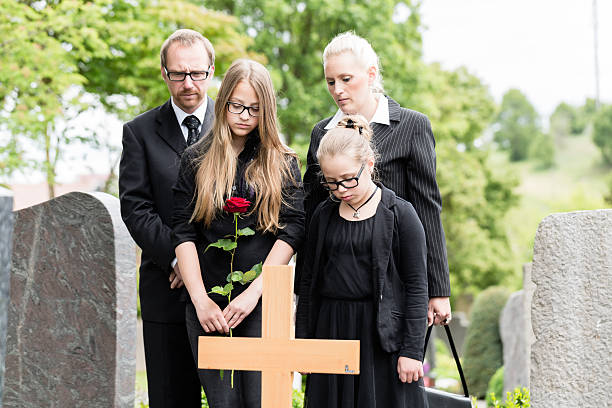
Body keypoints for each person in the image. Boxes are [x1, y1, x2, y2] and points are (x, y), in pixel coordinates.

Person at [172, 59, 305, 408]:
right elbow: (183, 233)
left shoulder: (282, 161)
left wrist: (254, 294)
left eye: (255, 109)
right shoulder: (195, 159)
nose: (245, 115)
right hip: (209, 306)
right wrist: (200, 299)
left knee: (264, 402)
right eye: (237, 106)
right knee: (223, 404)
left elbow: (291, 231)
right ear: (224, 101)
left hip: (262, 304)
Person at [301, 31, 451, 326]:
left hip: (397, 281)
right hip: (338, 285)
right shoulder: (322, 134)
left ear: (370, 74)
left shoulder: (412, 126)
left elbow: (427, 210)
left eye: (346, 79)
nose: (338, 90)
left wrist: (439, 289)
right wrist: (300, 295)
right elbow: (312, 215)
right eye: (331, 82)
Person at [296, 115, 429, 408]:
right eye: (332, 183)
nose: (342, 190)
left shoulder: (401, 214)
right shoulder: (323, 215)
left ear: (368, 164)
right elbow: (308, 283)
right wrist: (303, 341)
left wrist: (412, 350)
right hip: (331, 330)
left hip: (380, 336)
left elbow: (418, 286)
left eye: (348, 179)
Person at [119, 29, 215, 407]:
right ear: (164, 74)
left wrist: (200, 263)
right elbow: (135, 207)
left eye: (197, 73)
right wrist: (178, 257)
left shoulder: (235, 128)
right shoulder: (138, 133)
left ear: (211, 70)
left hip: (225, 287)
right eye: (178, 74)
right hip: (166, 290)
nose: (188, 84)